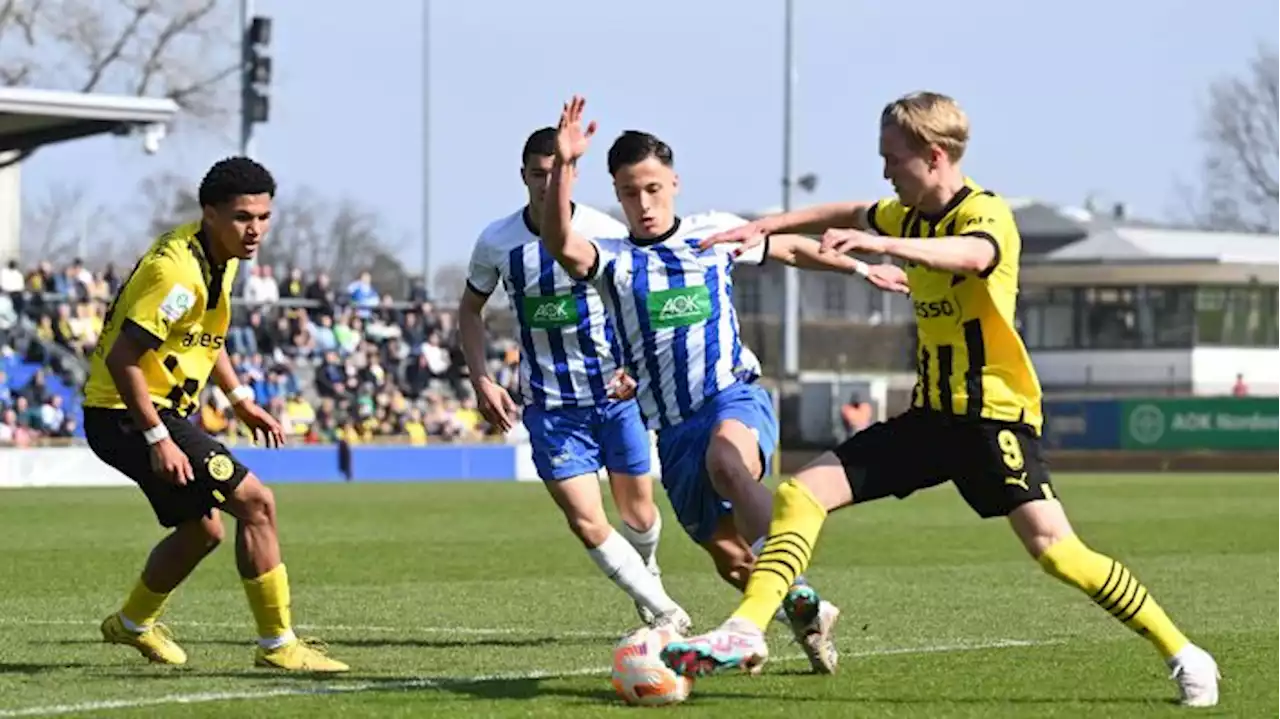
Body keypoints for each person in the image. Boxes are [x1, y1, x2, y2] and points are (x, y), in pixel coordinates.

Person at [659, 91, 1220, 708]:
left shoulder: (984, 213)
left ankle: (1185, 654)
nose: (885, 171)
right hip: (930, 419)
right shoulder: (906, 210)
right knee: (801, 491)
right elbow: (851, 209)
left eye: (892, 158)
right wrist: (773, 223)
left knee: (1059, 554)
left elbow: (972, 255)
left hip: (992, 421)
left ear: (932, 157)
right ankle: (747, 629)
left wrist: (886, 246)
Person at [540, 96, 910, 674]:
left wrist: (863, 269)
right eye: (631, 192)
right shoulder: (610, 259)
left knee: (728, 463)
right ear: (616, 194)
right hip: (671, 427)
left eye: (654, 188)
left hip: (732, 396)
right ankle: (807, 614)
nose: (644, 203)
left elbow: (788, 247)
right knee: (731, 558)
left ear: (675, 184)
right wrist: (563, 168)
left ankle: (781, 602)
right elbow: (560, 241)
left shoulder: (712, 234)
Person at [83, 157, 348, 672]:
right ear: (210, 213)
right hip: (129, 412)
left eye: (264, 217)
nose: (256, 231)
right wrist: (158, 437)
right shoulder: (178, 272)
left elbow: (206, 334)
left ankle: (131, 624)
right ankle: (278, 645)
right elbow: (121, 358)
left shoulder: (215, 255)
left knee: (203, 531)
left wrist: (240, 398)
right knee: (257, 503)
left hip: (145, 411)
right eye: (243, 217)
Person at [460, 127, 690, 631]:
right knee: (587, 521)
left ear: (573, 174)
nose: (547, 184)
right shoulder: (497, 242)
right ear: (523, 176)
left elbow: (636, 302)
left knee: (640, 516)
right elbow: (470, 311)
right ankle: (663, 609)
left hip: (615, 396)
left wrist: (636, 367)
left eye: (556, 173)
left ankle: (646, 571)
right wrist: (482, 378)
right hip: (550, 405)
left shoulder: (603, 231)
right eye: (538, 175)